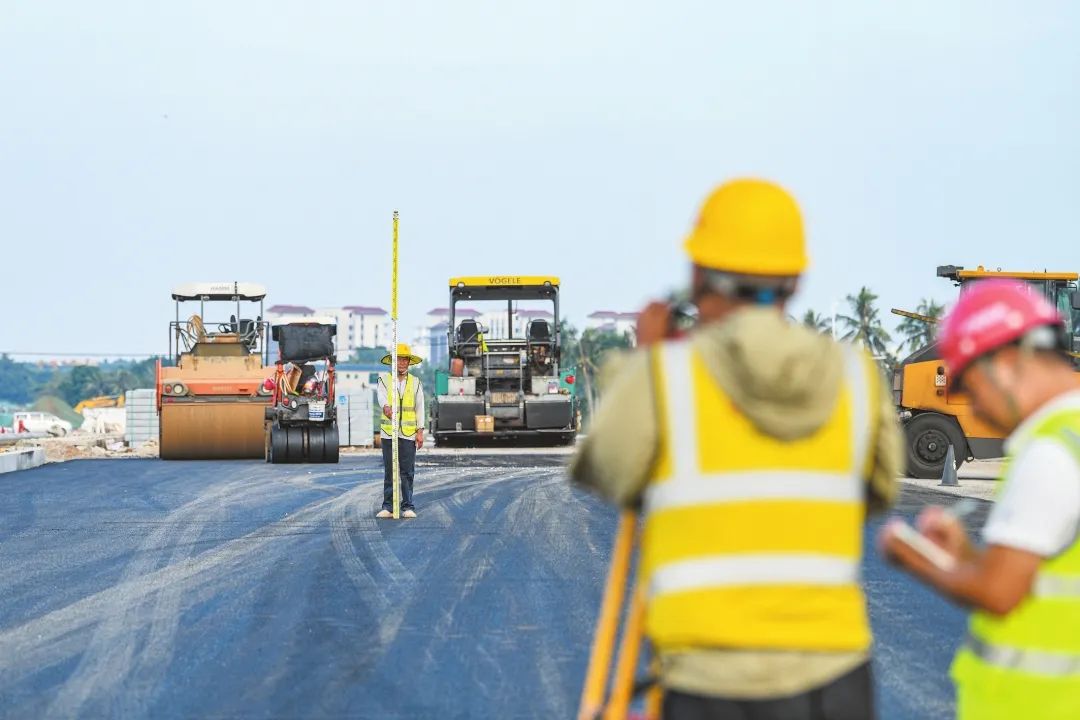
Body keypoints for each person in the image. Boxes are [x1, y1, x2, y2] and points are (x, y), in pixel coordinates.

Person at [569, 178, 902, 720]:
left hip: (707, 681)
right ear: (794, 281)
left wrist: (641, 363)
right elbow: (880, 490)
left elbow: (606, 468)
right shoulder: (856, 378)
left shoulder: (665, 376)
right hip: (836, 678)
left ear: (698, 276)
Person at [879, 279, 1080, 720]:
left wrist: (917, 556)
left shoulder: (1048, 455)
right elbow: (1033, 573)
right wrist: (968, 552)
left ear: (1006, 362)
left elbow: (1000, 591)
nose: (978, 407)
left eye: (971, 385)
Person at [376, 343, 425, 519]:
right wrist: (386, 407)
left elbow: (420, 408)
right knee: (390, 471)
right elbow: (381, 397)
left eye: (405, 360)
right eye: (399, 359)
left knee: (407, 471)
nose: (402, 363)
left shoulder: (416, 382)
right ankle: (388, 506)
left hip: (408, 433)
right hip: (389, 433)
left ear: (409, 362)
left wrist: (420, 431)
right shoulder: (384, 379)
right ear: (393, 361)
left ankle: (408, 506)